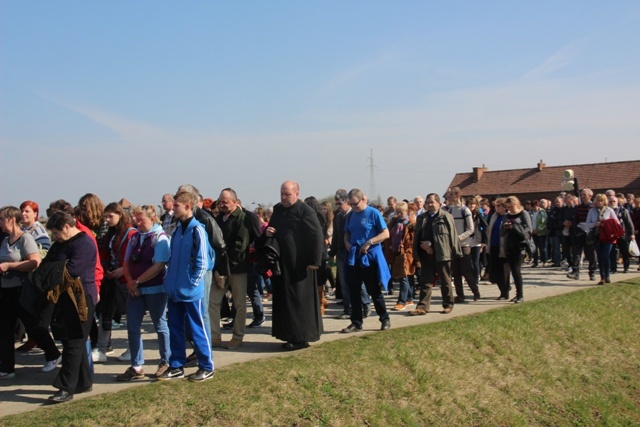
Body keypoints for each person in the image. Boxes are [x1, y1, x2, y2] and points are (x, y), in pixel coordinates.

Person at [158, 191, 214, 382]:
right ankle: (176, 365)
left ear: (188, 207)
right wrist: (169, 280)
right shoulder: (177, 230)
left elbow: (203, 262)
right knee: (175, 328)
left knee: (197, 328)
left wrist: (192, 284)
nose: (173, 210)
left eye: (176, 206)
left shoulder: (198, 229)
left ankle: (206, 366)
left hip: (190, 291)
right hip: (174, 290)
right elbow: (172, 259)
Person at [42, 211, 98, 403]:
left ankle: (65, 388)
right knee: (72, 341)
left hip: (82, 299)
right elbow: (46, 264)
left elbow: (72, 270)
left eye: (56, 233)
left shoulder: (84, 243)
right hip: (64, 298)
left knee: (74, 342)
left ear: (66, 227)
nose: (54, 237)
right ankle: (83, 381)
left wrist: (54, 271)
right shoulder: (59, 244)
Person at [264, 180, 324, 350]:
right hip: (283, 265)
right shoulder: (278, 210)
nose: (284, 197)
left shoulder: (305, 211)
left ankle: (301, 338)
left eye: (287, 194)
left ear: (297, 194)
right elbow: (273, 229)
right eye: (282, 194)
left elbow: (316, 236)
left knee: (299, 302)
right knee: (286, 302)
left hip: (301, 265)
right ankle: (288, 334)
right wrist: (268, 232)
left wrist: (314, 261)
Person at [116, 205, 171, 381]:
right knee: (132, 326)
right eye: (136, 219)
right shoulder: (135, 238)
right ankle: (137, 365)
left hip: (156, 290)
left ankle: (166, 361)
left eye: (142, 219)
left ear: (152, 218)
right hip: (135, 291)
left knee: (160, 326)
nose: (138, 223)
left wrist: (137, 281)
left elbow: (159, 265)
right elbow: (126, 262)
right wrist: (131, 283)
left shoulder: (160, 237)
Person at [341, 188, 392, 333]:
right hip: (354, 257)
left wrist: (370, 242)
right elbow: (347, 233)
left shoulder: (373, 213)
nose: (353, 207)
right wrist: (347, 243)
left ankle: (384, 318)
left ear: (363, 199)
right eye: (351, 204)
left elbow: (385, 233)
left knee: (374, 290)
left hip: (369, 258)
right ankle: (356, 322)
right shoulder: (351, 216)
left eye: (355, 204)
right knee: (354, 291)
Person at [0, 206, 42, 380]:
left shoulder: (26, 239)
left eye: (2, 219)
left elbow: (35, 262)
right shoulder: (5, 240)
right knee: (4, 329)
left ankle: (53, 354)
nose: (0, 223)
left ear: (11, 219)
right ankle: (7, 367)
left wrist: (10, 266)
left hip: (21, 289)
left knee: (32, 325)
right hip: (6, 290)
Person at [93, 202, 137, 363]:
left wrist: (122, 269)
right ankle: (101, 347)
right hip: (110, 278)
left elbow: (132, 256)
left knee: (131, 315)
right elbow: (103, 253)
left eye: (110, 216)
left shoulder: (130, 233)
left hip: (125, 279)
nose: (107, 220)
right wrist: (105, 268)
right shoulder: (109, 234)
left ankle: (133, 348)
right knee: (106, 313)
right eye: (105, 217)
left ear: (120, 214)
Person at [211, 188, 250, 350]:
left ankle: (237, 336)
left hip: (237, 268)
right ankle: (214, 336)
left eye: (225, 201)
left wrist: (226, 262)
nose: (222, 204)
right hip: (220, 268)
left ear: (235, 201)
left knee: (239, 303)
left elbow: (240, 245)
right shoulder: (219, 219)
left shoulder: (242, 218)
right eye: (220, 201)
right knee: (212, 302)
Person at [411, 194, 461, 315]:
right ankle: (422, 307)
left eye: (432, 202)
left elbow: (453, 236)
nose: (429, 205)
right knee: (426, 281)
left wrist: (456, 253)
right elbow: (417, 235)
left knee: (445, 280)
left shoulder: (446, 217)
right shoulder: (422, 217)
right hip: (425, 254)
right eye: (427, 202)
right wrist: (420, 248)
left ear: (439, 203)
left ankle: (448, 304)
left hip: (442, 254)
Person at [329, 189, 371, 320]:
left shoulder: (355, 214)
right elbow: (336, 235)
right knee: (344, 282)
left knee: (358, 281)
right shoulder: (338, 216)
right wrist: (332, 253)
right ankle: (348, 309)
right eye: (336, 204)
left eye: (340, 203)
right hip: (342, 252)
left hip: (354, 252)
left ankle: (365, 304)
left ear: (347, 202)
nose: (338, 206)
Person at [16, 200, 52, 353]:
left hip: (34, 277)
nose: (23, 214)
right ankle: (33, 339)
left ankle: (41, 343)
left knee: (31, 313)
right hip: (25, 276)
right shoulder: (24, 229)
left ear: (36, 214)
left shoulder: (37, 231)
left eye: (27, 211)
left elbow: (45, 252)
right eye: (22, 211)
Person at [446, 187, 481, 302]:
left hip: (464, 245)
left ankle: (475, 292)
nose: (448, 197)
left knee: (466, 271)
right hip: (453, 246)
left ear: (457, 196)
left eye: (450, 195)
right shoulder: (450, 211)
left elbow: (471, 229)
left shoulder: (465, 210)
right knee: (455, 272)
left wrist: (459, 238)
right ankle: (460, 295)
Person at [500, 196, 532, 303]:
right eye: (508, 207)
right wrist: (505, 227)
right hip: (509, 245)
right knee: (513, 271)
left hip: (520, 246)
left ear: (516, 204)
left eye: (511, 206)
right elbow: (502, 233)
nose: (510, 209)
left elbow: (528, 230)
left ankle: (520, 295)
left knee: (517, 271)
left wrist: (514, 227)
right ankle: (516, 294)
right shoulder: (506, 216)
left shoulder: (523, 214)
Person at [384, 202, 416, 310]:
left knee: (404, 278)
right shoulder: (394, 222)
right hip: (395, 252)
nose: (398, 214)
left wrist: (407, 249)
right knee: (403, 277)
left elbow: (412, 240)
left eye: (400, 212)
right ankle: (409, 298)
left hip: (406, 253)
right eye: (397, 212)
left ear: (406, 211)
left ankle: (401, 302)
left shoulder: (411, 223)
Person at [586, 194, 620, 284]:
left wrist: (605, 223)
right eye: (598, 201)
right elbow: (587, 223)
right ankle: (602, 277)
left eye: (601, 201)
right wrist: (594, 224)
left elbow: (617, 222)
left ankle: (607, 274)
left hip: (607, 236)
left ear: (605, 201)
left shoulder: (609, 210)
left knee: (605, 255)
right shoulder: (592, 211)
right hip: (597, 236)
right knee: (600, 257)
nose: (600, 203)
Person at [487, 198, 509, 299]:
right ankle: (502, 290)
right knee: (495, 270)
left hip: (504, 248)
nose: (496, 208)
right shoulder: (494, 216)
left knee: (504, 271)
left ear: (505, 207)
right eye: (495, 206)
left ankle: (505, 292)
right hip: (493, 246)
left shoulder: (507, 217)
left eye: (498, 206)